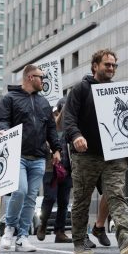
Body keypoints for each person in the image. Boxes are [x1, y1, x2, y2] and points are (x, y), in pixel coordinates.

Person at [63, 49, 128, 254]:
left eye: (113, 65)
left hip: (114, 156)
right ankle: (79, 241)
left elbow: (126, 124)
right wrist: (76, 136)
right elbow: (69, 118)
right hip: (85, 155)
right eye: (107, 64)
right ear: (95, 66)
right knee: (82, 198)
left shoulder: (118, 92)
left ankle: (125, 238)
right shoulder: (81, 89)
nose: (111, 68)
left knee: (116, 195)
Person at [0, 64, 62, 252]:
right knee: (20, 191)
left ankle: (22, 237)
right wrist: (2, 130)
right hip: (17, 155)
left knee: (31, 197)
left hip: (39, 157)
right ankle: (9, 229)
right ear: (30, 77)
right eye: (41, 78)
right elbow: (2, 120)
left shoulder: (44, 103)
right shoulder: (10, 98)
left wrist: (56, 149)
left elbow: (51, 129)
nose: (44, 81)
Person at [37, 97, 73, 244]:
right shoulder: (49, 126)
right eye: (63, 110)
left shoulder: (70, 126)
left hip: (66, 169)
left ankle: (60, 232)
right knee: (50, 198)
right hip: (51, 168)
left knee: (64, 201)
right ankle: (43, 224)